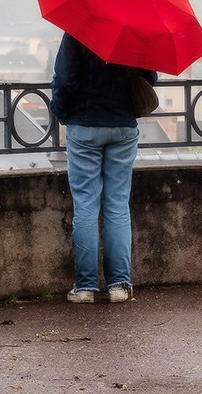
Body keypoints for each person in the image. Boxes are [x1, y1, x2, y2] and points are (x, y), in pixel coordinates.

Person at [49, 32, 157, 304]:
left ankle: (85, 287)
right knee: (118, 205)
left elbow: (65, 78)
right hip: (123, 124)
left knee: (86, 205)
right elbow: (150, 78)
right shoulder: (135, 31)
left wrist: (62, 112)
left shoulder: (78, 30)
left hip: (84, 124)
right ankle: (119, 285)